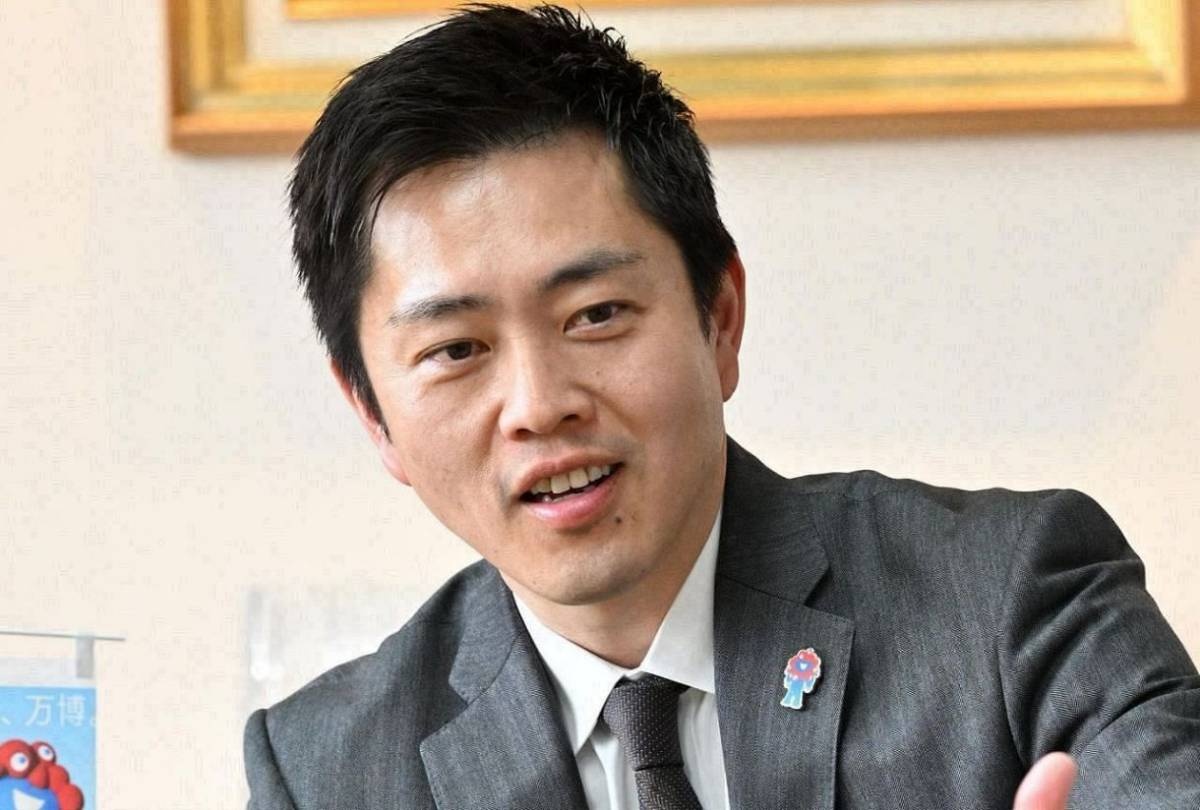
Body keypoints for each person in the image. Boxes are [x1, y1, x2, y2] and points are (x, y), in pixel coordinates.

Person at [243, 6, 1200, 809]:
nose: (539, 406)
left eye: (596, 315)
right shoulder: (327, 773)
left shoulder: (1010, 600)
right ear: (373, 415)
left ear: (721, 319)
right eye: (456, 350)